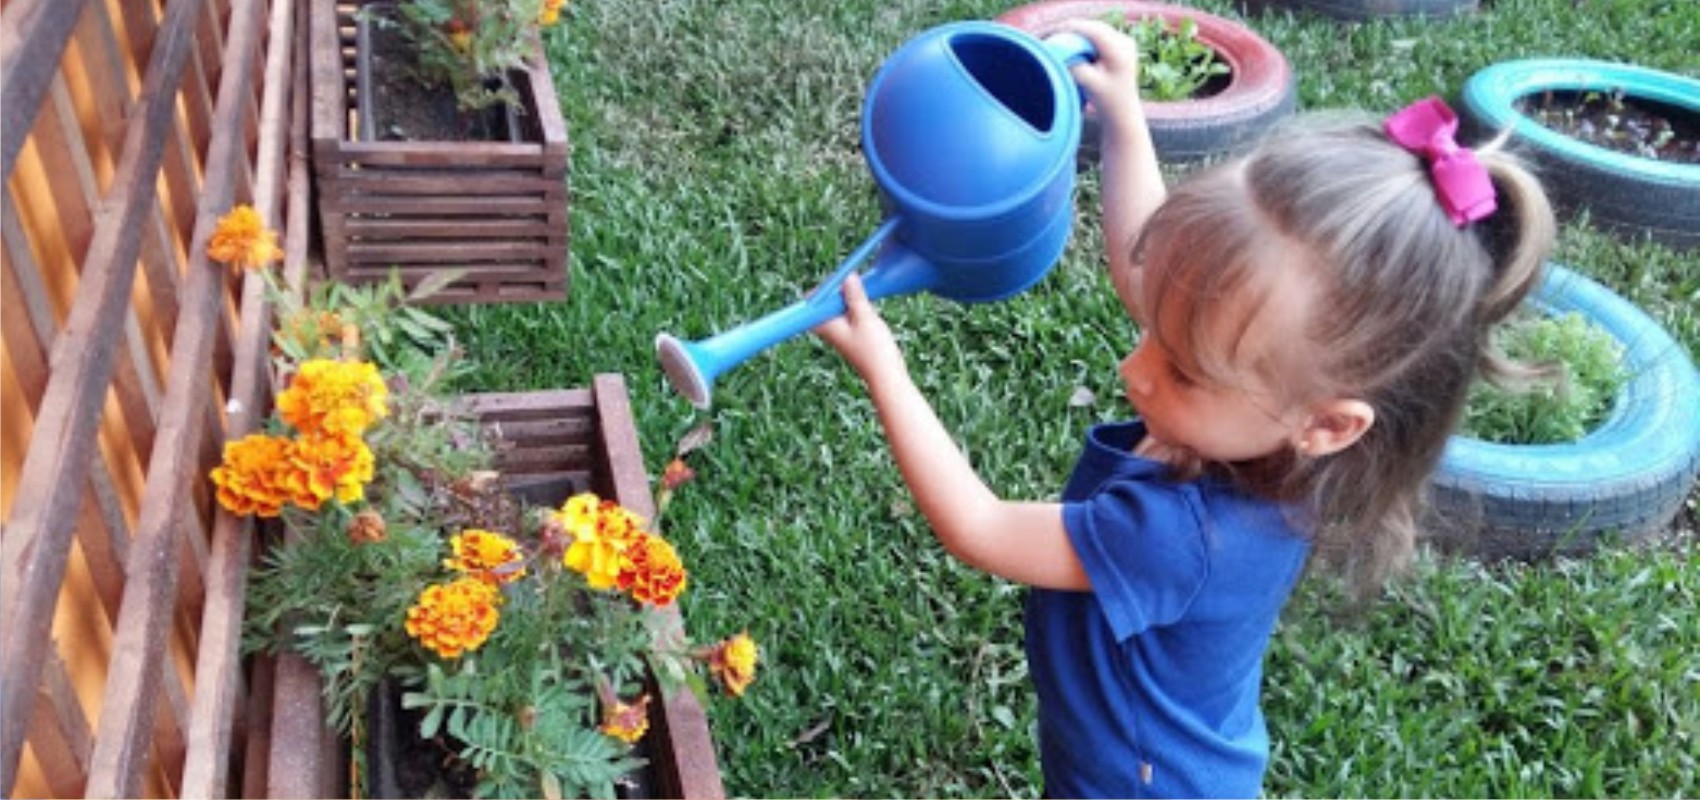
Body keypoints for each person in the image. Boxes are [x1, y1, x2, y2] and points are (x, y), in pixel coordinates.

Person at [810, 17, 1557, 799]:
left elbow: (982, 528)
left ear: (1328, 423)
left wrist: (885, 370)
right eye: (1157, 335)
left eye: (1183, 370)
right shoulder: (1274, 430)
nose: (1135, 369)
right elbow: (1151, 275)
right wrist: (1127, 118)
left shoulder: (1181, 537)